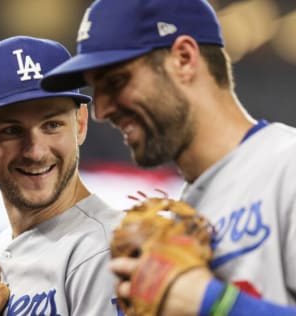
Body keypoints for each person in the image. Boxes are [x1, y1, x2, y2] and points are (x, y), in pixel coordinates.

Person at [40, 0, 296, 315]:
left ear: (184, 58)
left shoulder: (287, 166)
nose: (101, 111)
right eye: (96, 89)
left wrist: (214, 303)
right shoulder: (185, 215)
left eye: (117, 82)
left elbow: (210, 302)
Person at [0, 35, 124, 316]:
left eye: (52, 125)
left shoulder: (109, 251)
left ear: (80, 124)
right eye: (11, 130)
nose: (35, 152)